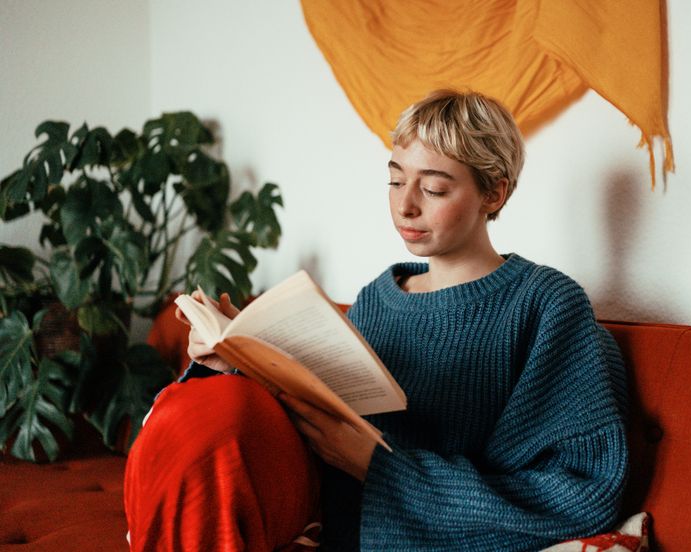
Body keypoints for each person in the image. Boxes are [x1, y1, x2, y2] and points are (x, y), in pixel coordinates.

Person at [124, 90, 629, 551]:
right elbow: (316, 417)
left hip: (391, 525)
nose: (404, 204)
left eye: (432, 188)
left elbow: (580, 492)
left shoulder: (543, 305)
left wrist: (379, 467)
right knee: (207, 408)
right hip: (313, 500)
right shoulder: (378, 299)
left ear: (492, 194)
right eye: (394, 179)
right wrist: (242, 356)